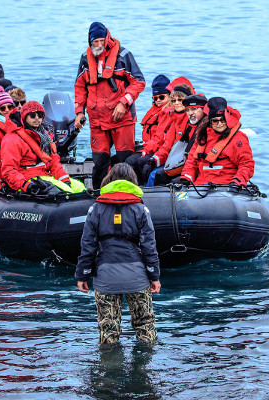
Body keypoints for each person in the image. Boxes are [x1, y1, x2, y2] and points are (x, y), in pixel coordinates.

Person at [75, 163, 161, 344]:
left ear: (109, 180)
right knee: (145, 326)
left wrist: (82, 274)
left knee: (108, 329)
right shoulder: (141, 209)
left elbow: (88, 246)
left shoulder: (95, 209)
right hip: (136, 276)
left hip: (105, 277)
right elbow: (149, 247)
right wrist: (154, 276)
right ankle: (144, 369)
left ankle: (110, 368)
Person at [74, 22, 146, 188]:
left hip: (121, 118)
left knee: (125, 161)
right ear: (89, 42)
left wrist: (124, 102)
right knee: (99, 162)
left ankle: (129, 195)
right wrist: (79, 112)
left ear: (107, 38)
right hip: (97, 120)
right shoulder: (85, 59)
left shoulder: (123, 55)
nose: (99, 45)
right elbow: (79, 86)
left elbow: (139, 82)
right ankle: (98, 196)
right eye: (95, 42)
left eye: (101, 41)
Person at [1, 101, 86, 194]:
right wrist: (27, 186)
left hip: (45, 176)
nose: (37, 118)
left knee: (80, 188)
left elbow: (53, 162)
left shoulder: (46, 136)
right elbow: (9, 171)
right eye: (32, 115)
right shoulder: (13, 139)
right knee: (66, 192)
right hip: (28, 180)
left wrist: (65, 179)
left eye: (40, 115)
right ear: (24, 117)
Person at [180, 97, 254, 187]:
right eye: (215, 121)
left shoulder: (238, 138)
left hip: (225, 186)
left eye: (222, 120)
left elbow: (247, 164)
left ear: (227, 119)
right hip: (200, 185)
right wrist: (186, 178)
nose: (219, 124)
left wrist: (237, 181)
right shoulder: (202, 136)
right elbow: (191, 162)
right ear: (210, 122)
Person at [142, 85, 193, 185]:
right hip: (173, 159)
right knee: (144, 165)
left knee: (155, 175)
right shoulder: (174, 120)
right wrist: (153, 160)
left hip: (184, 163)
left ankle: (149, 197)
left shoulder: (191, 122)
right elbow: (167, 147)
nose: (177, 103)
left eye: (180, 100)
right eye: (174, 100)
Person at [124, 74, 171, 182]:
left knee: (133, 161)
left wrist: (145, 151)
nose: (158, 100)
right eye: (155, 98)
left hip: (158, 149)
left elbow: (160, 139)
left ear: (169, 95)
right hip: (149, 146)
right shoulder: (153, 111)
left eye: (162, 97)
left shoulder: (169, 113)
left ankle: (140, 188)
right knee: (123, 158)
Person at [153, 94, 207, 185]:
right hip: (187, 164)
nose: (190, 113)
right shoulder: (189, 126)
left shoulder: (207, 129)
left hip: (200, 168)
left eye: (194, 109)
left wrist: (187, 174)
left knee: (174, 182)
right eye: (188, 110)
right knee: (160, 175)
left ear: (204, 110)